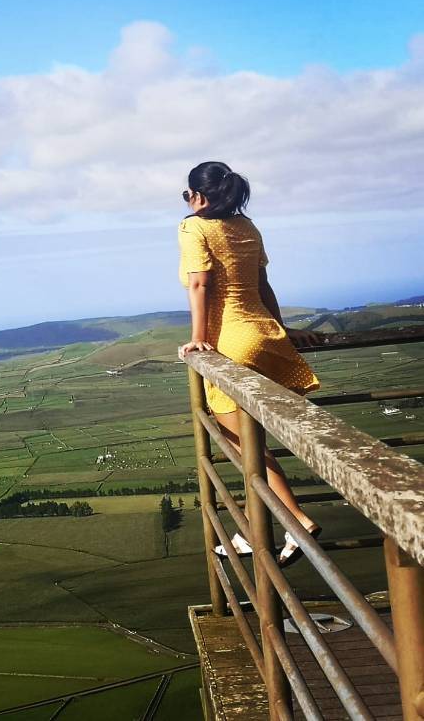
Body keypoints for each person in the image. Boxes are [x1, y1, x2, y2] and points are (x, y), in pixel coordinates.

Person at [177, 161, 322, 567]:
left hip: (231, 343)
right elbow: (262, 285)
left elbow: (200, 283)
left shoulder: (194, 227)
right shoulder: (248, 228)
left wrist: (199, 338)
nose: (187, 203)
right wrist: (283, 328)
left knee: (244, 448)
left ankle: (297, 522)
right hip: (261, 333)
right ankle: (250, 533)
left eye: (187, 195)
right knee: (250, 443)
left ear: (199, 196)